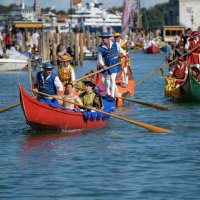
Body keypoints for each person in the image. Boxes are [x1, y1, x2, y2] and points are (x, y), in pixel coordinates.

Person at [97, 32, 128, 99]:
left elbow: (122, 51)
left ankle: (112, 95)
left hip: (115, 63)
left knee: (112, 79)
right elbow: (99, 59)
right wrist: (103, 66)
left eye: (105, 38)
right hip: (106, 64)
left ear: (108, 38)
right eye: (102, 38)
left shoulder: (115, 44)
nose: (103, 39)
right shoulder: (100, 48)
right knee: (104, 80)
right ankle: (108, 93)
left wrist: (126, 56)